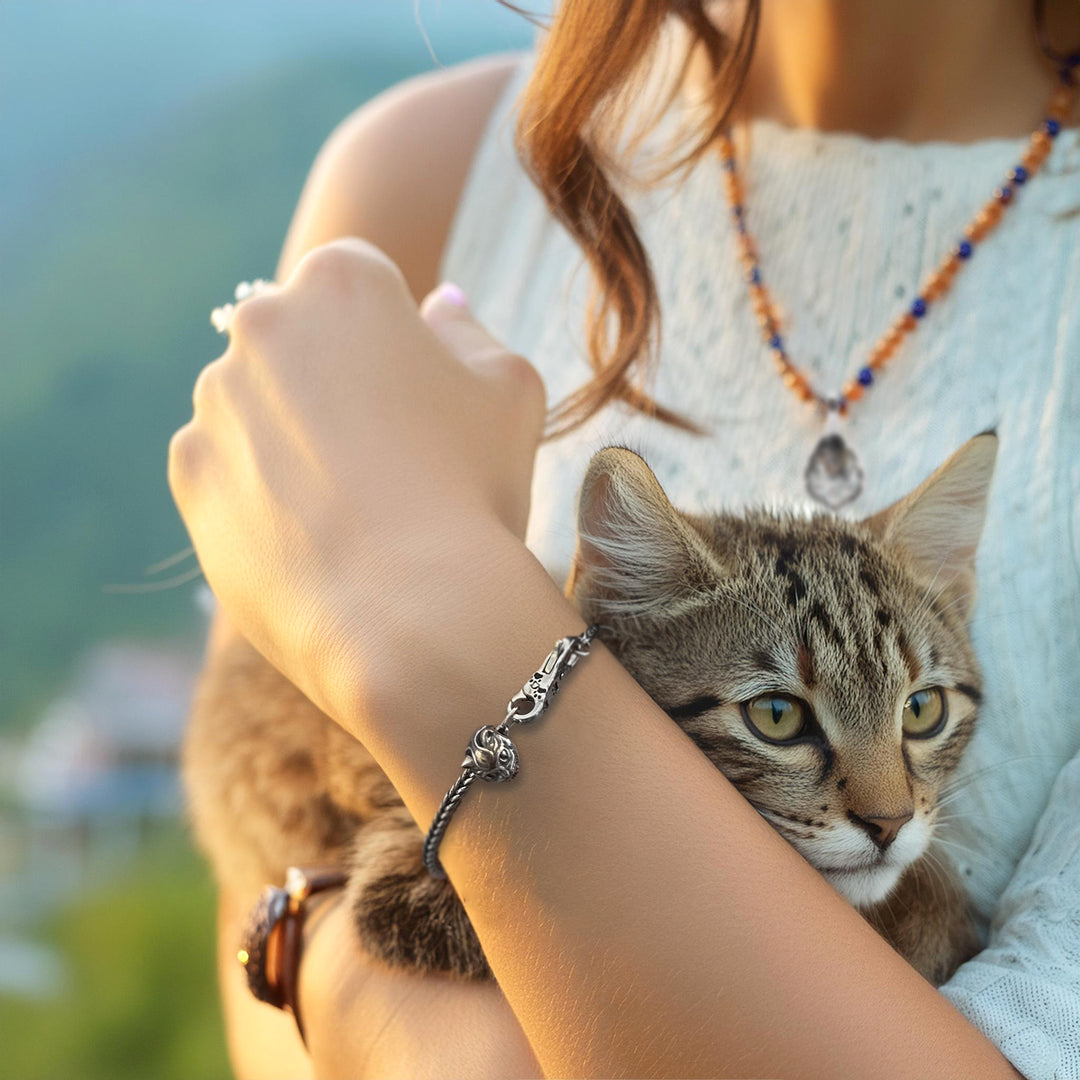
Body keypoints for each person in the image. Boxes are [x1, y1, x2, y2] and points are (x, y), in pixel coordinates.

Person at [169, 1, 1080, 1077]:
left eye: (921, 713)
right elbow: (256, 903)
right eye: (785, 713)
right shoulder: (418, 179)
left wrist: (436, 605)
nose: (886, 811)